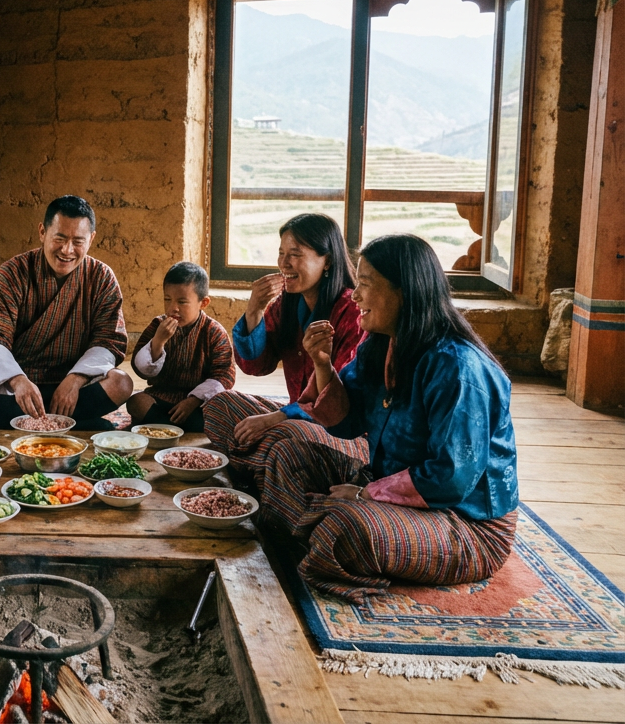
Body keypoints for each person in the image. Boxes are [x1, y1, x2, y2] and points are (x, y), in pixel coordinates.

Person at [258, 234, 519, 603]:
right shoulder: (380, 344)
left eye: (365, 284)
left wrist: (364, 496)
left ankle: (324, 531)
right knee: (287, 456)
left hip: (464, 524)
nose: (354, 295)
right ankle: (322, 532)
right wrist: (322, 363)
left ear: (405, 292)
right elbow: (346, 424)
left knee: (347, 528)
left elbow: (450, 478)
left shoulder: (458, 368)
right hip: (385, 489)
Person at [203, 213, 367, 491]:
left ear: (326, 260)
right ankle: (273, 470)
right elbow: (256, 366)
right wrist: (254, 309)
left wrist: (276, 417)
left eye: (295, 254)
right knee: (219, 405)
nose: (284, 264)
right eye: (281, 254)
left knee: (285, 435)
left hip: (340, 433)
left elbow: (340, 403)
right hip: (292, 419)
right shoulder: (288, 303)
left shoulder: (350, 312)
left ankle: (264, 468)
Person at [0, 195, 133, 428]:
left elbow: (109, 341)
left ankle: (13, 420)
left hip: (75, 385)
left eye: (78, 241)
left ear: (91, 239)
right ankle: (72, 421)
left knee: (122, 383)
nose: (67, 250)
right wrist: (17, 381)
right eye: (59, 238)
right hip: (20, 384)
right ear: (42, 232)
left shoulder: (101, 277)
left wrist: (75, 379)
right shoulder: (12, 272)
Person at [126, 262, 235, 432]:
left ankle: (162, 427)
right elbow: (140, 368)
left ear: (203, 302)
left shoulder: (214, 332)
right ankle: (172, 429)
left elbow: (224, 375)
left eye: (182, 302)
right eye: (167, 299)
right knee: (136, 402)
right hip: (161, 397)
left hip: (198, 403)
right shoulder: (157, 326)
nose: (173, 308)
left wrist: (193, 400)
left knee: (221, 412)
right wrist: (158, 342)